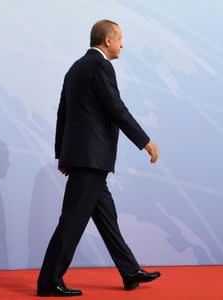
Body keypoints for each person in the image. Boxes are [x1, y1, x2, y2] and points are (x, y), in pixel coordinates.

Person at [37, 20, 161, 297]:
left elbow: (63, 114)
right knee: (72, 220)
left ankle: (130, 271)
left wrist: (63, 155)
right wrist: (145, 141)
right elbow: (116, 108)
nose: (122, 45)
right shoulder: (101, 66)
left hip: (83, 157)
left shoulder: (76, 67)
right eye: (120, 39)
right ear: (107, 40)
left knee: (107, 218)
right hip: (92, 159)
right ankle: (48, 281)